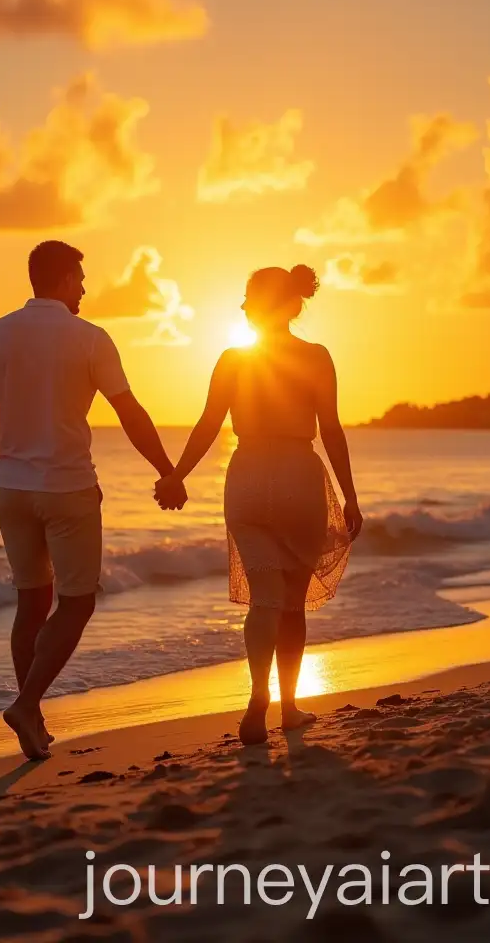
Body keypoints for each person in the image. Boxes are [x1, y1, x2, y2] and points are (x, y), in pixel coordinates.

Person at [0, 240, 186, 760]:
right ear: (61, 280)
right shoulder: (90, 338)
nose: (84, 288)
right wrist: (166, 470)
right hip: (67, 488)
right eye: (79, 278)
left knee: (31, 601)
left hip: (10, 488)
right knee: (77, 602)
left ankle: (31, 723)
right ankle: (27, 703)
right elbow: (129, 411)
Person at [155, 265, 361, 745]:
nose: (243, 307)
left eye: (247, 298)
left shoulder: (232, 359)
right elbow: (330, 429)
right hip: (298, 476)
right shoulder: (315, 357)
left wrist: (177, 475)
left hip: (246, 477)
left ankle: (257, 698)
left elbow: (208, 424)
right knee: (292, 602)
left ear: (259, 305)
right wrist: (350, 493)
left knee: (265, 599)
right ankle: (288, 708)